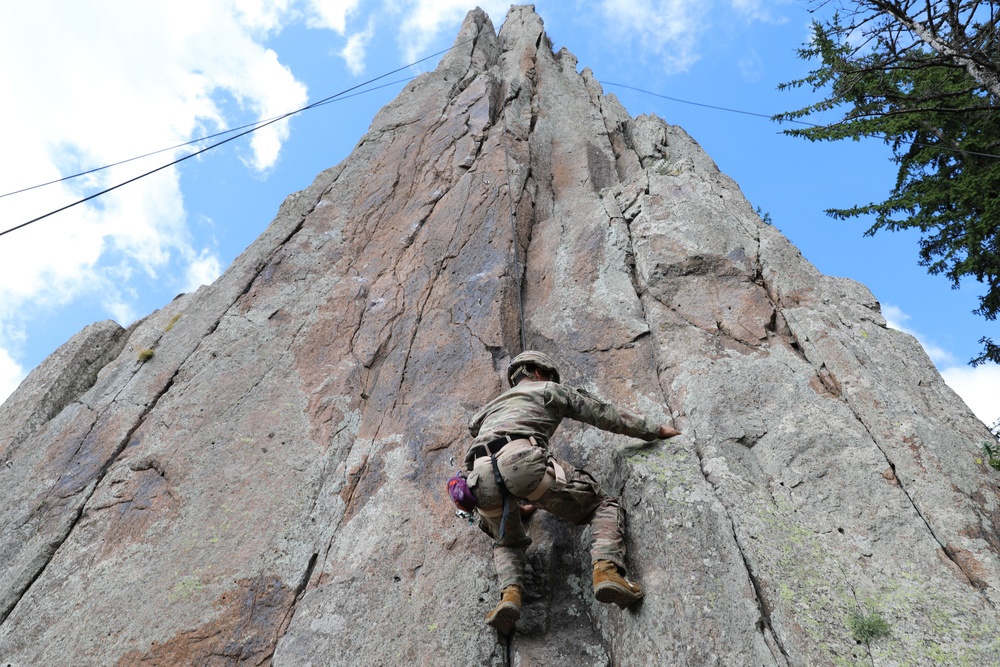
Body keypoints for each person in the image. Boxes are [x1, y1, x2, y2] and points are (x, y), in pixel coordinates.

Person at [463, 351, 681, 635]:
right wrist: (654, 430)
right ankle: (607, 571)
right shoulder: (549, 390)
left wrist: (516, 503)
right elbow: (603, 413)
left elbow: (481, 439)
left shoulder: (487, 411)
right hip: (522, 462)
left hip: (477, 482)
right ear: (539, 373)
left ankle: (511, 596)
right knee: (602, 507)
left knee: (507, 542)